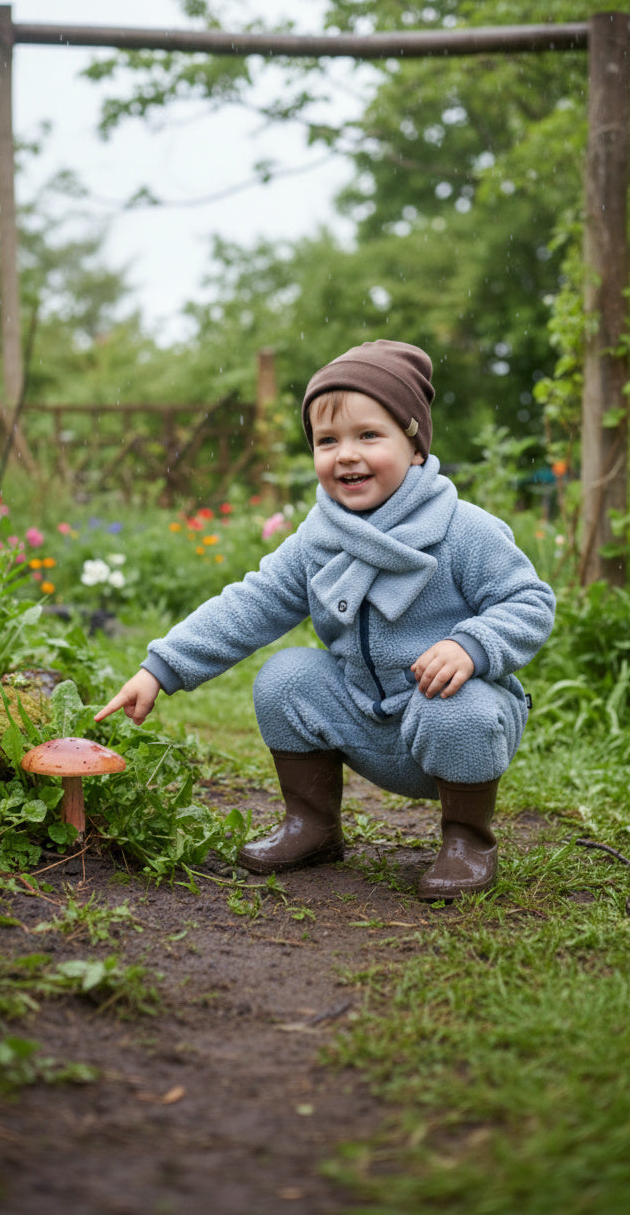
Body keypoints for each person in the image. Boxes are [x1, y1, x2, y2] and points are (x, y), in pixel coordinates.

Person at [95, 340, 556, 900]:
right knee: (286, 675)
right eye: (327, 440)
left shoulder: (464, 529)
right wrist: (162, 666)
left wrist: (472, 645)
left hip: (450, 720)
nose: (346, 455)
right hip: (363, 715)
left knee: (459, 706)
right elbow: (252, 602)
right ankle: (312, 826)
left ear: (414, 445)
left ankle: (467, 841)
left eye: (369, 435)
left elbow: (530, 602)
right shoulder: (319, 540)